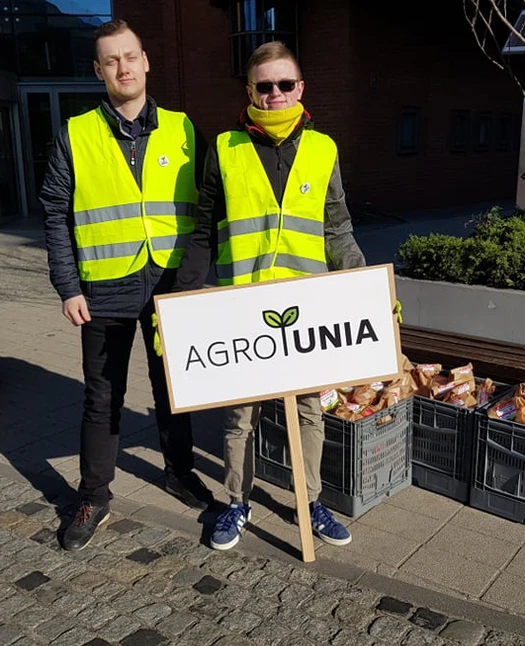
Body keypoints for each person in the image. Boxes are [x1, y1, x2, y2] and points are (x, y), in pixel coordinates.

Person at [173, 41, 367, 551]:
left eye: (286, 84)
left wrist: (368, 289)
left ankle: (310, 501)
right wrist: (177, 306)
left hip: (306, 312)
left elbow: (337, 229)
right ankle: (236, 501)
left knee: (308, 411)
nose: (276, 94)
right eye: (265, 86)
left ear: (301, 88)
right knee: (239, 416)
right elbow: (202, 233)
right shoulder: (224, 147)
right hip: (243, 309)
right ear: (250, 91)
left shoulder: (323, 148)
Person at [40, 18, 213, 552]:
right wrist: (68, 286)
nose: (123, 67)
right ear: (99, 70)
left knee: (173, 389)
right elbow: (54, 213)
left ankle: (178, 472)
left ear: (146, 61)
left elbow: (208, 208)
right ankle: (94, 495)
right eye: (111, 60)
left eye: (130, 56)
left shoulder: (184, 129)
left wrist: (197, 279)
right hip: (105, 288)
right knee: (102, 398)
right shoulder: (75, 133)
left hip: (169, 282)